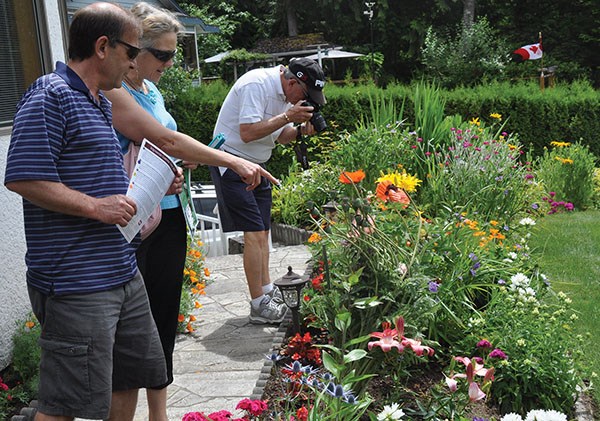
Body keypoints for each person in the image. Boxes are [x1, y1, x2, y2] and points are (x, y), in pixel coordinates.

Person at [103, 3, 280, 419]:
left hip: (166, 215)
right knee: (130, 330)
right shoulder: (113, 91)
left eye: (173, 54)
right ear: (133, 50)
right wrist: (233, 161)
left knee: (163, 316)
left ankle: (159, 413)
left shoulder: (152, 90)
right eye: (162, 54)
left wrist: (176, 172)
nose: (169, 62)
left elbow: (168, 146)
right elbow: (165, 139)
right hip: (130, 224)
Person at [3, 3, 167, 420]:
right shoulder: (50, 95)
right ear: (101, 47)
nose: (134, 65)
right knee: (65, 404)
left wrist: (154, 182)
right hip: (76, 282)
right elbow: (22, 178)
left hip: (120, 271)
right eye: (131, 52)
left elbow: (94, 177)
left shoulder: (100, 103)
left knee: (129, 376)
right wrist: (96, 207)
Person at [209, 57, 326, 324]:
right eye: (305, 96)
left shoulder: (286, 95)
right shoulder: (256, 84)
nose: (304, 102)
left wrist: (300, 130)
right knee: (253, 234)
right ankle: (258, 304)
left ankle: (267, 292)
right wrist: (288, 116)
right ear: (293, 81)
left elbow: (279, 135)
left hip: (257, 166)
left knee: (263, 232)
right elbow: (248, 132)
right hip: (232, 162)